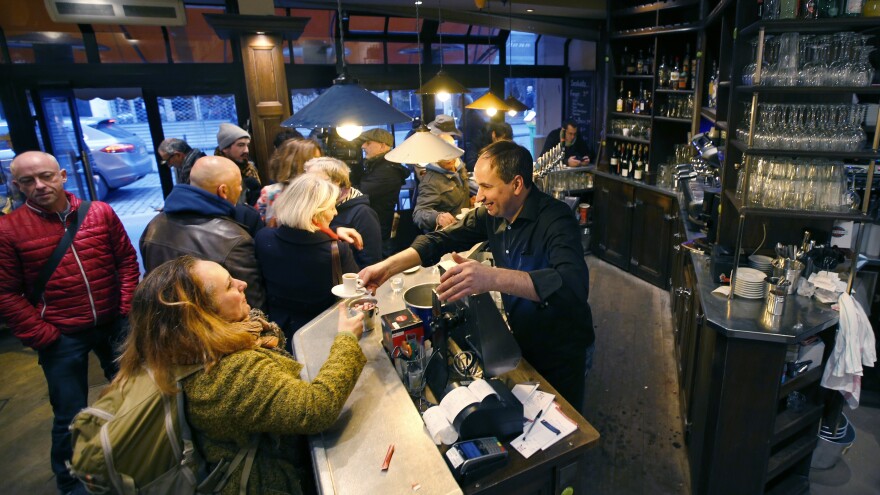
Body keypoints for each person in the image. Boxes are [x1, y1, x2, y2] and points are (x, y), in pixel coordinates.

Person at [360, 141, 594, 409]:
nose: (479, 196)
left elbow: (571, 287)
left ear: (517, 184)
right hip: (524, 341)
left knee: (567, 431)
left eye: (486, 186)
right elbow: (441, 240)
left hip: (563, 350)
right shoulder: (493, 215)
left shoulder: (556, 219)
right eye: (478, 185)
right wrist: (387, 268)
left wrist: (490, 277)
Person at [112, 255, 366, 495]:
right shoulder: (226, 373)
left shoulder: (182, 351)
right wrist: (346, 340)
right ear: (202, 315)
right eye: (229, 286)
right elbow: (315, 407)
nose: (242, 284)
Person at [0, 151, 139, 495]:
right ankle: (69, 482)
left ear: (62, 175)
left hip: (112, 322)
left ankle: (132, 456)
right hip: (61, 334)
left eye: (46, 176)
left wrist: (123, 308)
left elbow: (125, 260)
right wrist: (43, 334)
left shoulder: (99, 213)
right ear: (16, 185)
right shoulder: (9, 230)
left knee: (133, 393)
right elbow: (6, 293)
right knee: (69, 414)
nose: (39, 185)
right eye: (28, 181)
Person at [140, 156, 266, 311]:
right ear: (223, 191)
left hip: (166, 325)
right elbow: (252, 304)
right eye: (239, 186)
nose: (241, 190)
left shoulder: (153, 226)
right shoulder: (233, 239)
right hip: (216, 331)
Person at [255, 174, 360, 349]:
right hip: (321, 335)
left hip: (278, 334)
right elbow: (355, 292)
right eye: (332, 207)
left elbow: (298, 237)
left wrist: (332, 231)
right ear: (315, 212)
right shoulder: (335, 250)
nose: (335, 212)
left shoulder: (263, 238)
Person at [305, 156, 382, 268]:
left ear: (337, 181)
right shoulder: (314, 207)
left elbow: (371, 263)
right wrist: (334, 231)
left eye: (317, 181)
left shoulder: (363, 213)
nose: (309, 186)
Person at [357, 128, 409, 256]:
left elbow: (360, 192)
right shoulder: (380, 166)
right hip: (375, 227)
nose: (363, 146)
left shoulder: (387, 171)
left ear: (382, 146)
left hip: (378, 231)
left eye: (368, 143)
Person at [257, 138, 322, 227]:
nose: (322, 165)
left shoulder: (323, 191)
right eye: (316, 161)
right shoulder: (269, 192)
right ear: (297, 164)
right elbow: (257, 225)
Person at [413, 136, 470, 233]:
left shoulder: (460, 167)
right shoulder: (430, 181)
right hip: (447, 236)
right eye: (443, 154)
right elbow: (419, 213)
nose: (448, 158)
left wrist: (469, 199)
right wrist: (438, 217)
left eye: (450, 152)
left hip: (465, 229)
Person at [215, 122, 262, 206]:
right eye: (240, 145)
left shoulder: (250, 168)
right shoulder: (216, 173)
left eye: (247, 145)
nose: (246, 150)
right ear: (225, 148)